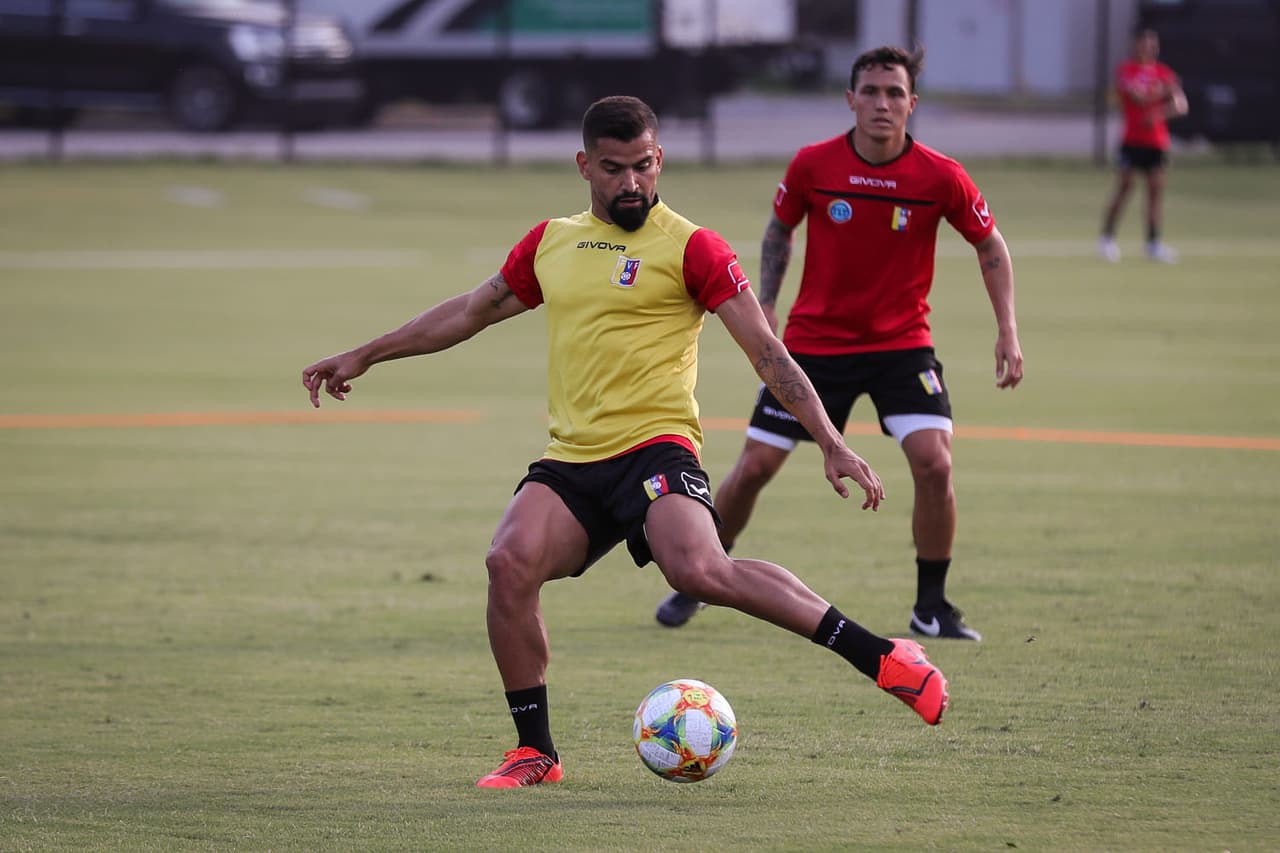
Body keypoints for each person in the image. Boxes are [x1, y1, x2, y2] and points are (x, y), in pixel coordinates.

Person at [302, 95, 950, 789]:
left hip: (656, 447)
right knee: (507, 563)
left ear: (659, 158)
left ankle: (884, 657)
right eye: (614, 169)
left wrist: (828, 439)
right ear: (585, 166)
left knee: (698, 571)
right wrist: (365, 354)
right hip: (573, 458)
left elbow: (767, 351)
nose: (632, 182)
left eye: (643, 165)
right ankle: (535, 752)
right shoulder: (551, 242)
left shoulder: (693, 247)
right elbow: (468, 311)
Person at [655, 46, 1023, 642]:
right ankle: (698, 578)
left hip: (902, 345)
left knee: (935, 463)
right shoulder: (813, 165)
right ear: (851, 99)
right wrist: (767, 301)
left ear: (912, 103)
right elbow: (780, 229)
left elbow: (990, 245)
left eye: (894, 93)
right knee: (753, 468)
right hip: (816, 345)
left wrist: (1007, 328)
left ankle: (931, 607)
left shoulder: (941, 176)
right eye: (871, 91)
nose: (882, 103)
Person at [1098, 28, 1188, 264]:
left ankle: (1153, 243)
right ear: (1135, 45)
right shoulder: (1126, 70)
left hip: (1156, 142)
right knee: (1125, 187)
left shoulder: (1162, 72)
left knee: (1155, 192)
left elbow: (1180, 105)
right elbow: (1137, 95)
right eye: (1144, 43)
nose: (1148, 47)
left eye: (1151, 44)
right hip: (1132, 140)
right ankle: (1107, 238)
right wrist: (1163, 90)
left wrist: (1158, 112)